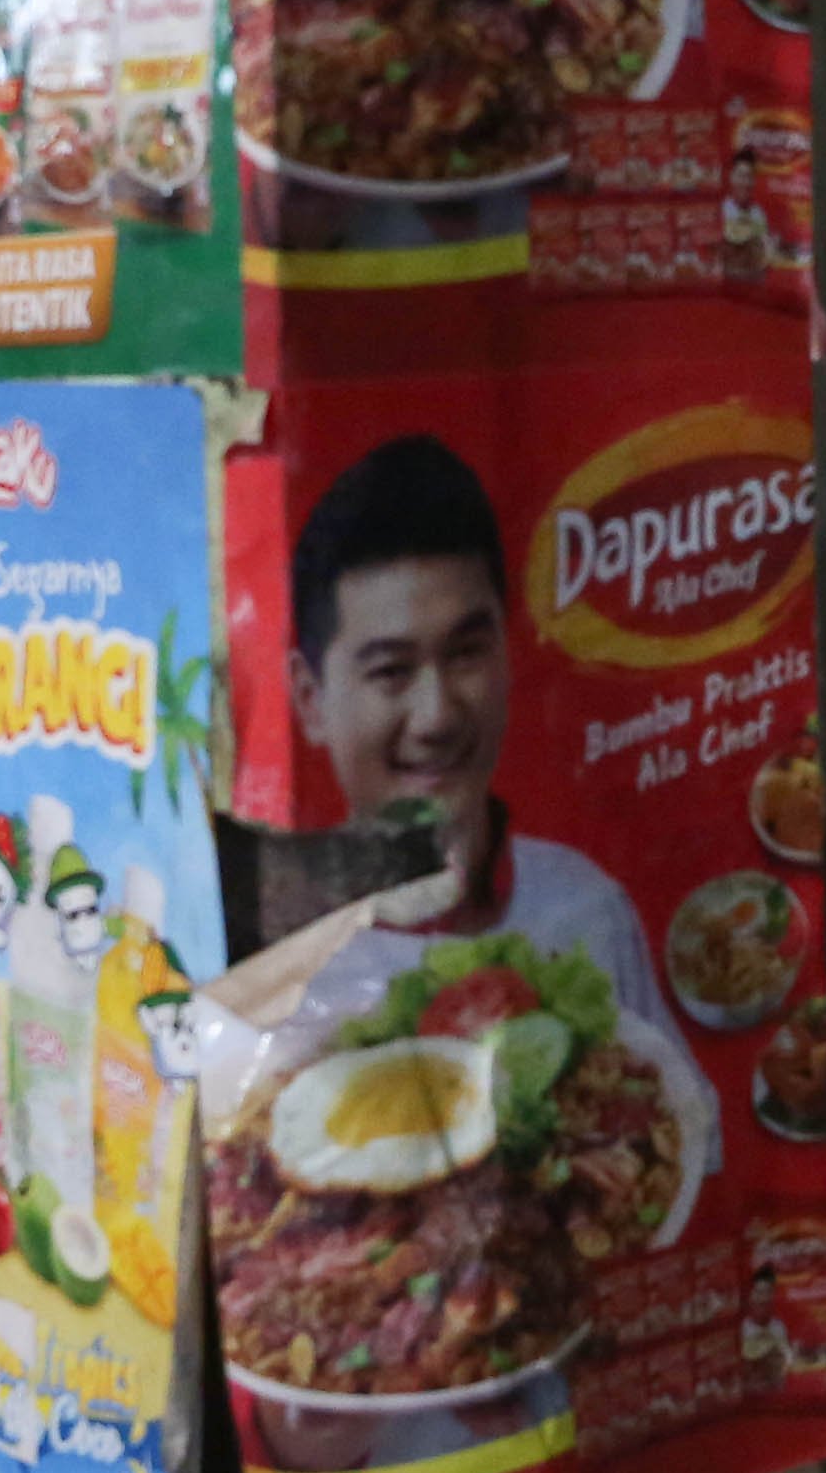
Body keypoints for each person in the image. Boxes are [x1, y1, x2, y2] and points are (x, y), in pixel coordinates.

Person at [206, 433, 691, 1063]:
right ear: (309, 698)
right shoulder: (266, 968)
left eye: (466, 653)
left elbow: (682, 1130)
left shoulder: (584, 908)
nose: (435, 716)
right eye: (390, 670)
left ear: (508, 656)